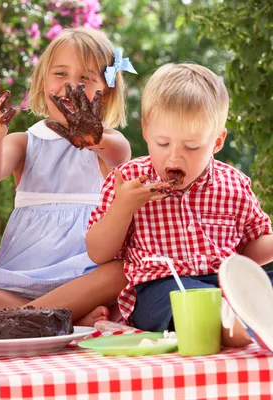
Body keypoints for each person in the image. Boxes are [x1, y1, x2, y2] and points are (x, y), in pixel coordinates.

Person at [0, 27, 134, 333]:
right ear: (41, 83)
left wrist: (92, 135)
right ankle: (58, 318)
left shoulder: (107, 142)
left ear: (107, 92)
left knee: (121, 271)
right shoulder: (26, 142)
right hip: (23, 275)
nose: (71, 86)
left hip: (81, 273)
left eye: (86, 79)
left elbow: (120, 155)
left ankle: (7, 320)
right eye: (61, 74)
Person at [85, 62, 273, 349]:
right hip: (161, 287)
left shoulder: (233, 184)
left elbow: (250, 251)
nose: (174, 157)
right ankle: (237, 327)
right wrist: (123, 207)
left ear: (217, 141)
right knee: (179, 298)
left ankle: (243, 316)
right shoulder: (128, 181)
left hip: (227, 284)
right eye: (162, 143)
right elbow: (98, 253)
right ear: (146, 131)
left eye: (192, 147)